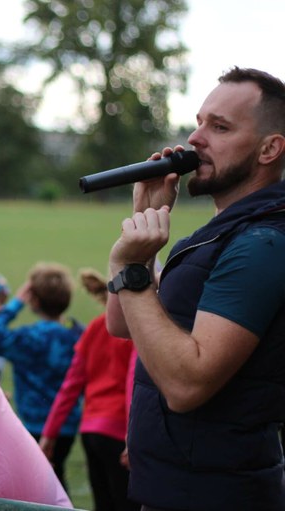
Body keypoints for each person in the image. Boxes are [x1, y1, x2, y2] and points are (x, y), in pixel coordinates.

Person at [106, 67, 285, 510]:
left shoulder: (262, 244)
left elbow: (187, 386)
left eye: (219, 128)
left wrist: (131, 268)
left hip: (216, 496)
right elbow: (122, 323)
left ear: (269, 149)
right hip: (175, 489)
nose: (194, 138)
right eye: (199, 122)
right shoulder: (219, 235)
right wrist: (144, 223)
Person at [39, 269, 138, 511]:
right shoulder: (136, 333)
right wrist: (131, 435)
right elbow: (132, 384)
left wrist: (49, 434)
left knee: (102, 503)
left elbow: (69, 388)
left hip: (90, 433)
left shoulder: (93, 328)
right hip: (119, 432)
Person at [0, 261, 83, 489]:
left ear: (33, 300)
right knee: (57, 476)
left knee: (35, 484)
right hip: (67, 425)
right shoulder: (76, 336)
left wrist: (15, 304)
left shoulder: (29, 338)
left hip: (33, 425)